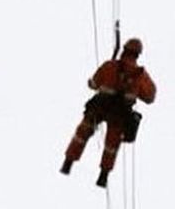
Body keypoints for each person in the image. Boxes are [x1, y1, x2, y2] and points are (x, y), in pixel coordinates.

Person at [61, 37, 156, 187]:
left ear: (124, 50)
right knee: (111, 146)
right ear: (137, 55)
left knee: (82, 133)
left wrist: (95, 83)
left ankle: (68, 163)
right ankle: (103, 176)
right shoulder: (140, 76)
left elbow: (93, 83)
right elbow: (150, 97)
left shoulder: (109, 66)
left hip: (99, 108)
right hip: (119, 115)